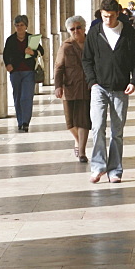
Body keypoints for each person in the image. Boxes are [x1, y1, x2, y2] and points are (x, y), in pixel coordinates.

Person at [82, 0, 135, 183]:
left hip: (121, 88)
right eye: (105, 16)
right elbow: (86, 59)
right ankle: (98, 166)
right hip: (99, 87)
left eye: (111, 16)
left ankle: (115, 170)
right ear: (101, 14)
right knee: (98, 126)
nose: (108, 20)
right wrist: (92, 82)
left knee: (117, 131)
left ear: (118, 14)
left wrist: (134, 81)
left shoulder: (128, 32)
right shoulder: (94, 32)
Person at [54, 15, 92, 163]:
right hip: (70, 87)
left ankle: (82, 152)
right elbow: (58, 67)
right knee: (70, 123)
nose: (76, 31)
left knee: (83, 120)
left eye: (78, 28)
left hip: (87, 87)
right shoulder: (66, 45)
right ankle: (77, 140)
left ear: (84, 28)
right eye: (72, 29)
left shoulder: (91, 43)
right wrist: (58, 86)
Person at [3, 14, 44, 132]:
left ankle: (26, 122)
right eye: (17, 25)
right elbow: (6, 54)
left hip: (28, 71)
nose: (19, 28)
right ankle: (20, 121)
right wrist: (8, 65)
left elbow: (41, 51)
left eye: (22, 25)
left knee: (26, 97)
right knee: (17, 97)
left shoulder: (31, 38)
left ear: (26, 26)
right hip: (15, 72)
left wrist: (33, 52)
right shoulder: (10, 40)